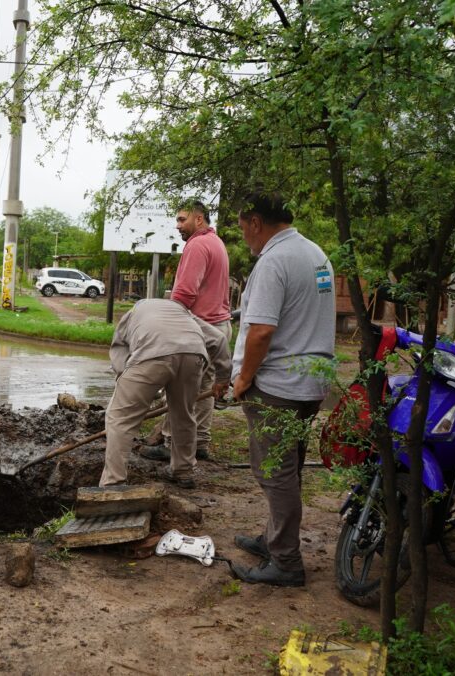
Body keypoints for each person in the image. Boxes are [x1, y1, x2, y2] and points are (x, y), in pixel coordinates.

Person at [230, 190, 335, 587]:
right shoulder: (315, 253)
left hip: (278, 385)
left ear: (256, 222)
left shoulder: (275, 261)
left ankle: (287, 562)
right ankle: (274, 540)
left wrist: (242, 380)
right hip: (309, 383)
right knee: (287, 469)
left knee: (275, 472)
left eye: (243, 229)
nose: (244, 238)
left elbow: (261, 331)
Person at [100, 299, 231, 488]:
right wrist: (223, 379)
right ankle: (183, 471)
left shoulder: (133, 313)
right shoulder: (185, 314)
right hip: (192, 356)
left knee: (120, 418)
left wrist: (137, 387)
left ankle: (113, 482)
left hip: (151, 355)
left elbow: (119, 353)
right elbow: (219, 339)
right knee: (184, 415)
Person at [142, 199, 231, 463]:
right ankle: (200, 441)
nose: (177, 225)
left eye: (182, 219)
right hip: (219, 326)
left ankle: (172, 444)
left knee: (180, 386)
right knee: (204, 386)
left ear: (199, 219)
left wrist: (169, 321)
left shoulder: (197, 244)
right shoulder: (216, 242)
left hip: (199, 328)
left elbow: (185, 292)